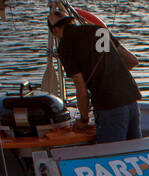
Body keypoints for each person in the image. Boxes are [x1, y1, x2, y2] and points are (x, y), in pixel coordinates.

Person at [49, 7, 143, 144]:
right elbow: (132, 61)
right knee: (134, 152)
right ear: (71, 22)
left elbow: (81, 89)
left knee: (111, 157)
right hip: (131, 99)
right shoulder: (98, 30)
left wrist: (83, 119)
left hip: (110, 105)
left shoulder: (65, 46)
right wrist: (110, 72)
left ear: (55, 30)